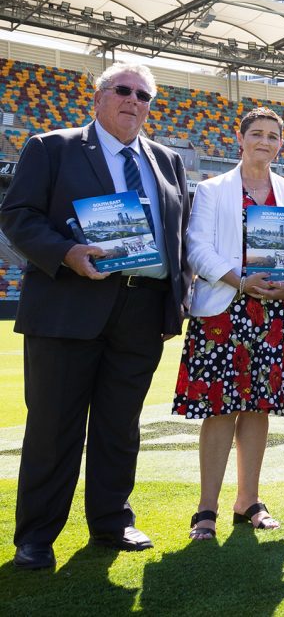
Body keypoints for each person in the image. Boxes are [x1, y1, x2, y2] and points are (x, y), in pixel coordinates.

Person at [1, 62, 191, 570]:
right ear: (99, 97)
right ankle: (36, 536)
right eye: (123, 90)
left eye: (144, 95)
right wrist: (66, 253)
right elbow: (18, 216)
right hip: (68, 305)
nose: (134, 101)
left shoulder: (168, 160)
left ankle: (112, 521)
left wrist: (183, 291)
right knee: (54, 425)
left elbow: (178, 231)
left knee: (119, 425)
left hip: (142, 308)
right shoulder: (52, 147)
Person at [176, 107, 284, 539]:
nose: (265, 142)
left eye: (273, 136)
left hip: (273, 311)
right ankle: (206, 509)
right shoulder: (214, 190)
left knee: (259, 409)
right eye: (257, 134)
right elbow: (196, 247)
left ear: (281, 143)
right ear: (240, 138)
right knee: (219, 410)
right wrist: (240, 279)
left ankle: (248, 500)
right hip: (223, 309)